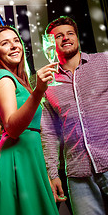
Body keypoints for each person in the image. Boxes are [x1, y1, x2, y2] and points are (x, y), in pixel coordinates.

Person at [0, 25, 59, 214]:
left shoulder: (17, 80)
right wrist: (38, 92)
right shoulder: (3, 77)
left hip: (28, 158)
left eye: (16, 41)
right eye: (5, 43)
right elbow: (12, 127)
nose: (14, 46)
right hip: (16, 161)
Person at [41, 16, 108, 215]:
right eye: (59, 36)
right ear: (51, 44)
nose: (66, 38)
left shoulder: (103, 62)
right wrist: (52, 173)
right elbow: (49, 133)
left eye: (70, 33)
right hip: (78, 174)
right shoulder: (48, 83)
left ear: (77, 38)